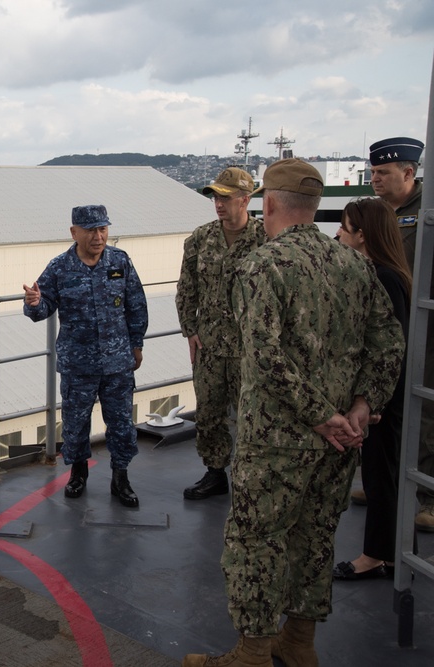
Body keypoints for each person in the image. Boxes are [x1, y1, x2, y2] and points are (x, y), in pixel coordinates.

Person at [182, 160, 405, 667]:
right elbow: (389, 344)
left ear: (270, 203)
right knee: (315, 536)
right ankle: (299, 643)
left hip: (279, 441)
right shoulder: (354, 263)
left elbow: (263, 356)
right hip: (341, 442)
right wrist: (359, 408)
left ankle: (254, 653)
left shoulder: (263, 265)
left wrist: (320, 415)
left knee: (257, 540)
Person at [23, 205, 149, 505]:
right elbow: (42, 309)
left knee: (120, 423)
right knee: (76, 423)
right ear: (74, 232)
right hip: (78, 364)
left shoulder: (120, 261)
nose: (98, 236)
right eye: (91, 230)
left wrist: (137, 343)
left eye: (103, 229)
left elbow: (136, 304)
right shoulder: (59, 267)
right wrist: (34, 302)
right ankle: (78, 473)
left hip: (117, 361)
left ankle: (121, 478)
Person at [332, 198, 412, 581]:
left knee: (383, 476)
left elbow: (391, 345)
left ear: (362, 236)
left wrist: (373, 400)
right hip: (386, 393)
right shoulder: (386, 274)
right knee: (385, 474)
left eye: (345, 228)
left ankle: (376, 556)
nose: (338, 234)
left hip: (385, 396)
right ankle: (391, 554)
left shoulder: (382, 278)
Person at [176, 167, 266, 500]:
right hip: (211, 346)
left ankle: (250, 478)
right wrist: (191, 330)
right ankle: (215, 473)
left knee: (251, 415)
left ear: (245, 200)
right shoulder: (200, 239)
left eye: (225, 198)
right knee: (209, 413)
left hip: (250, 349)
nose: (218, 204)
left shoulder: (267, 239)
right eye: (215, 197)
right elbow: (187, 289)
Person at [369, 136, 434, 532]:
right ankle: (383, 483)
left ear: (408, 173)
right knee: (383, 404)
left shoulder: (427, 211)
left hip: (422, 326)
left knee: (424, 412)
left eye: (383, 173)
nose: (374, 179)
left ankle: (428, 497)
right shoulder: (376, 212)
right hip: (383, 325)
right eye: (373, 172)